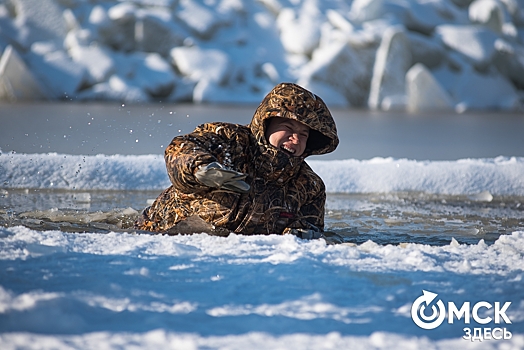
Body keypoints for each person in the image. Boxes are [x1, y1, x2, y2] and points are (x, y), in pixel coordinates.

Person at [135, 82, 339, 239]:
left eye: (303, 134)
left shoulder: (309, 186)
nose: (295, 139)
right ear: (266, 124)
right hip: (158, 235)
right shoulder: (229, 140)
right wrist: (202, 169)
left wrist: (302, 234)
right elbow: (181, 147)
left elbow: (309, 230)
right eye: (289, 128)